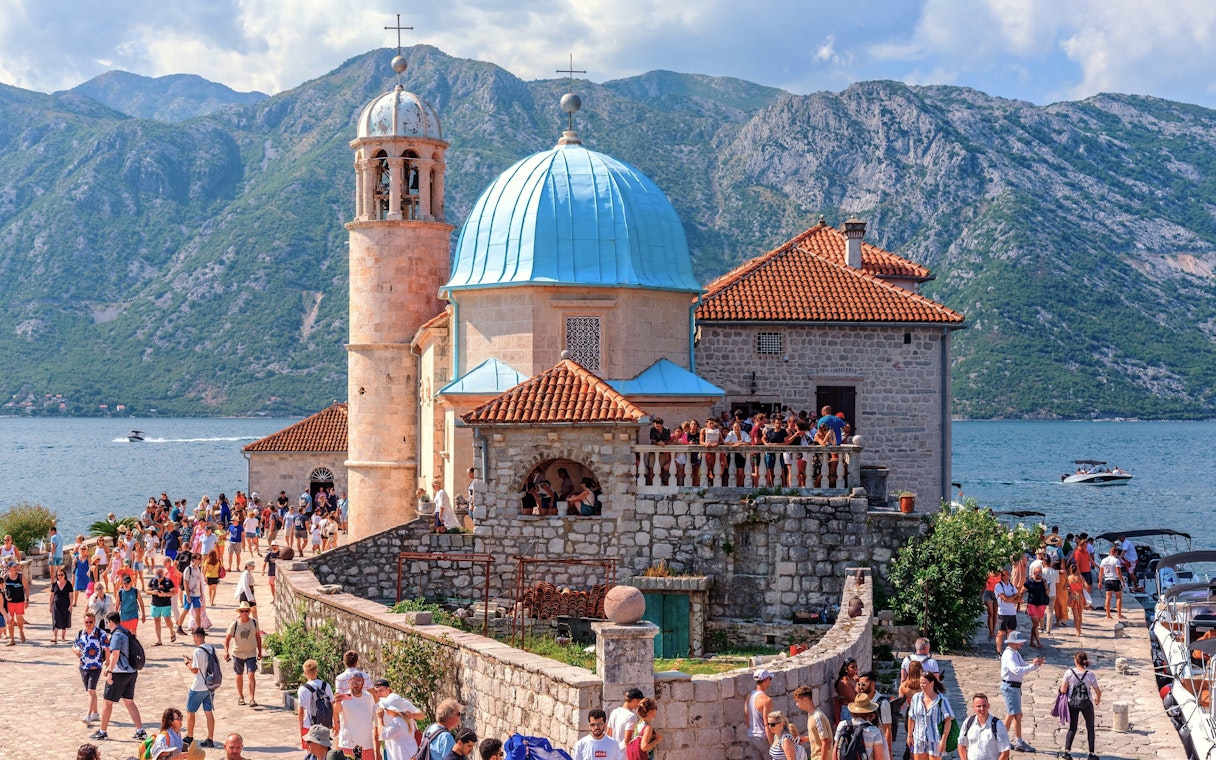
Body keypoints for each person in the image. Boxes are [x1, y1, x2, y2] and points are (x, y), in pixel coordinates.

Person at [89, 611, 146, 742]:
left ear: (111, 622)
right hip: (131, 672)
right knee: (129, 701)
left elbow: (115, 654)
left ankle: (102, 731)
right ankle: (140, 730)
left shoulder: (117, 635)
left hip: (119, 673)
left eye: (108, 622)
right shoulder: (126, 632)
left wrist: (109, 670)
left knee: (107, 702)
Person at [999, 631, 1043, 752]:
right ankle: (1018, 742)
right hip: (1010, 687)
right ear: (1013, 643)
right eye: (1020, 642)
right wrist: (1031, 666)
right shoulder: (1009, 654)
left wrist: (1036, 665)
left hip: (1014, 687)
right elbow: (1017, 670)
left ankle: (1002, 739)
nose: (1022, 644)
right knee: (1016, 715)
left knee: (1011, 714)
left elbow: (1024, 668)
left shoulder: (1015, 653)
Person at [1059, 652, 1101, 760]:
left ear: (1076, 661)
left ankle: (1067, 752)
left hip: (1072, 703)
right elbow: (1098, 691)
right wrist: (1098, 698)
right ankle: (1091, 753)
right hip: (1086, 703)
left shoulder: (1069, 672)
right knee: (1090, 727)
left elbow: (1063, 689)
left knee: (1072, 727)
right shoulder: (1090, 674)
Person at [184, 626, 219, 748]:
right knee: (208, 712)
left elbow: (195, 670)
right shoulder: (211, 648)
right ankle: (210, 738)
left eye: (194, 637)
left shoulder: (197, 651)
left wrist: (187, 663)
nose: (194, 639)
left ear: (197, 637)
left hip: (198, 686)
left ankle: (189, 736)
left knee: (190, 711)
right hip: (210, 685)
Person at [73, 611, 110, 725]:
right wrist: (77, 652)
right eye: (86, 622)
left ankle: (88, 715)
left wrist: (108, 663)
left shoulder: (101, 633)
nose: (88, 624)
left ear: (95, 622)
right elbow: (74, 646)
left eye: (91, 622)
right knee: (91, 692)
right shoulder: (80, 634)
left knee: (91, 690)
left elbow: (107, 649)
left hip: (96, 666)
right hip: (83, 666)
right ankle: (95, 713)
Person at [224, 601, 263, 706]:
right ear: (239, 612)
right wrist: (226, 652)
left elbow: (258, 637)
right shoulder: (235, 624)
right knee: (239, 675)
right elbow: (227, 639)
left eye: (246, 611)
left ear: (249, 612)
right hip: (238, 653)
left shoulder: (254, 623)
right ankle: (241, 697)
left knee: (251, 674)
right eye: (242, 611)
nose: (244, 613)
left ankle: (252, 698)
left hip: (251, 653)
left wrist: (260, 651)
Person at [907, 671, 952, 760]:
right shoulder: (916, 698)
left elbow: (948, 720)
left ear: (931, 683)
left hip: (935, 739)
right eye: (920, 683)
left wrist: (943, 740)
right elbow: (911, 717)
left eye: (924, 683)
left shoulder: (941, 700)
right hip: (919, 738)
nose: (922, 685)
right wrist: (909, 736)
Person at [956, 693, 1011, 760]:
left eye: (984, 706)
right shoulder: (968, 722)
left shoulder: (997, 725)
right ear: (973, 707)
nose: (982, 709)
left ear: (988, 706)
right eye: (979, 706)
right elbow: (961, 744)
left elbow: (1005, 752)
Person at [335, 672, 376, 759]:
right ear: (348, 683)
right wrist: (337, 702)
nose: (355, 685)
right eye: (352, 683)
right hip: (348, 744)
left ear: (363, 682)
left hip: (366, 744)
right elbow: (337, 710)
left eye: (358, 682)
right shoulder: (345, 697)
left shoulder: (369, 697)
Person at [833, 694, 888, 760]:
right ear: (869, 712)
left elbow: (835, 750)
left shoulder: (842, 725)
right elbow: (879, 757)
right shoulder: (874, 731)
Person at [376, 687, 425, 760]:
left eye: (386, 708)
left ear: (393, 709)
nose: (385, 709)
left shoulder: (397, 722)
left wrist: (380, 718)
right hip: (410, 753)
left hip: (401, 755)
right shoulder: (407, 719)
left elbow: (383, 735)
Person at [298, 659, 335, 748]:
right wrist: (334, 722)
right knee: (324, 749)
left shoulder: (303, 689)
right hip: (324, 725)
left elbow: (300, 711)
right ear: (316, 671)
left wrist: (301, 726)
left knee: (310, 751)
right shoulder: (326, 686)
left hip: (309, 725)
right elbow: (332, 705)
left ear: (305, 673)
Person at [791, 684, 833, 760]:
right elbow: (818, 737)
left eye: (797, 701)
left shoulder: (817, 717)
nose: (796, 705)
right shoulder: (810, 714)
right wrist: (804, 739)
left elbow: (825, 742)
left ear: (805, 700)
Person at [858, 671, 894, 749]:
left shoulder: (882, 703)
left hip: (878, 744)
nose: (861, 687)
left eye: (863, 684)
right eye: (859, 684)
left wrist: (888, 751)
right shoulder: (859, 701)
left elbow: (887, 728)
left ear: (873, 684)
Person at [746, 669, 775, 758]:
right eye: (770, 678)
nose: (770, 681)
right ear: (766, 680)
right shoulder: (766, 700)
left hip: (751, 736)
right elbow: (767, 724)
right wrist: (773, 745)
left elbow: (747, 716)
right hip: (763, 738)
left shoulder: (749, 696)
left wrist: (750, 732)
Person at [148, 565, 177, 644]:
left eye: (160, 576)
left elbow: (173, 592)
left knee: (167, 620)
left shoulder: (168, 581)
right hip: (155, 604)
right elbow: (147, 591)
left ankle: (172, 631)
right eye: (157, 576)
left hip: (166, 604)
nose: (158, 578)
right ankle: (159, 640)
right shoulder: (153, 580)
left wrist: (164, 594)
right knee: (156, 621)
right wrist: (152, 592)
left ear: (163, 574)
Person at [1022, 566, 1050, 648]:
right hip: (1032, 604)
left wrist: (1046, 587)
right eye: (1038, 573)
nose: (1040, 575)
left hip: (1041, 604)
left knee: (1035, 625)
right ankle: (1038, 642)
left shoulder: (1044, 581)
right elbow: (1022, 591)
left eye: (1041, 573)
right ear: (1034, 573)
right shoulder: (1029, 582)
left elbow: (1047, 593)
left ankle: (1031, 641)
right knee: (1036, 623)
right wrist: (1019, 600)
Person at [177, 552, 205, 634]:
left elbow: (199, 581)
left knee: (198, 611)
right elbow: (185, 582)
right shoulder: (188, 569)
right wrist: (188, 595)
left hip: (196, 594)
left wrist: (201, 593)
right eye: (199, 559)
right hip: (189, 594)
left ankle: (199, 628)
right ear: (194, 560)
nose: (200, 560)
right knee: (186, 610)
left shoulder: (198, 569)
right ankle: (179, 626)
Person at [4, 559, 30, 644]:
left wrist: (27, 600)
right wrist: (5, 597)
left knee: (19, 619)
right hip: (9, 603)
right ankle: (12, 640)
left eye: (16, 566)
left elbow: (26, 588)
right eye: (13, 566)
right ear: (9, 568)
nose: (15, 567)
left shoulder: (20, 576)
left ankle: (21, 631)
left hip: (19, 601)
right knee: (10, 621)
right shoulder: (5, 577)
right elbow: (2, 589)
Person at [993, 569, 1019, 654]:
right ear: (1001, 576)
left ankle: (1010, 651)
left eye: (1008, 574)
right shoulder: (998, 586)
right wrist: (1012, 597)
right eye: (1005, 575)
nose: (1007, 576)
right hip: (1003, 612)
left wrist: (1010, 599)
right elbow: (1005, 598)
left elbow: (1018, 599)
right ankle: (998, 651)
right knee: (1001, 632)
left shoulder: (1011, 586)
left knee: (1011, 633)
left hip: (1012, 612)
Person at [1099, 546, 1125, 619]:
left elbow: (1100, 572)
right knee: (1119, 597)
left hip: (1107, 579)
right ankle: (1119, 615)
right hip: (1115, 579)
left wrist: (1100, 582)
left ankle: (1108, 615)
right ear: (1115, 552)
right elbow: (1118, 571)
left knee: (1108, 597)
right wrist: (1122, 580)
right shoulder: (1116, 560)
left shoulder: (1103, 560)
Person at [49, 565, 74, 642]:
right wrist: (50, 605)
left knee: (64, 620)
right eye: (58, 575)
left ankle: (63, 637)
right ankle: (55, 637)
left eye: (61, 575)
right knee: (55, 620)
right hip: (56, 605)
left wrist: (70, 605)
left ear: (64, 575)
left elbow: (71, 595)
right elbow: (52, 596)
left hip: (65, 605)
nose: (60, 576)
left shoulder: (68, 584)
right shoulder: (54, 585)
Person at [835, 658, 860, 723]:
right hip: (847, 711)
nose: (855, 669)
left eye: (856, 667)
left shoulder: (850, 679)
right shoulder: (845, 682)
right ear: (846, 669)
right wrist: (857, 683)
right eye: (852, 667)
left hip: (851, 710)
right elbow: (854, 699)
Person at [1067, 564, 1086, 636]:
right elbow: (1086, 586)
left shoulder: (1069, 578)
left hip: (1073, 596)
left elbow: (1066, 587)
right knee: (1080, 614)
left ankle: (1077, 630)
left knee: (1075, 615)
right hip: (1080, 596)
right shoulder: (1081, 577)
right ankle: (1080, 628)